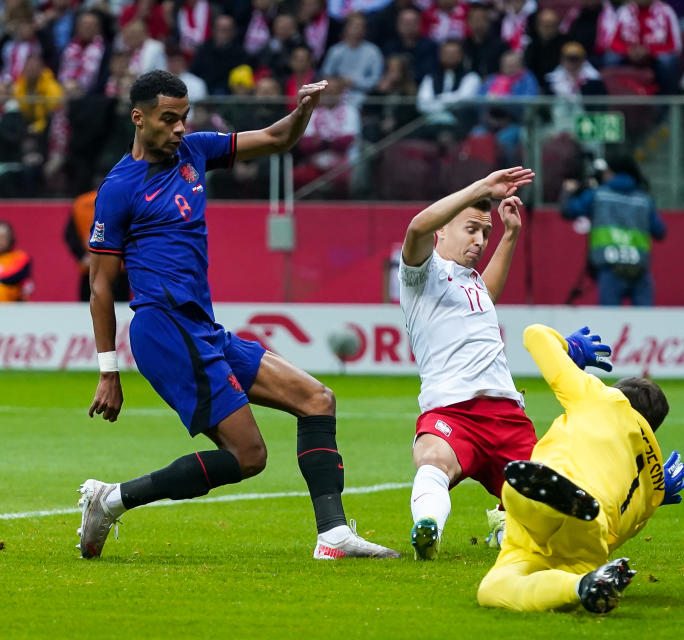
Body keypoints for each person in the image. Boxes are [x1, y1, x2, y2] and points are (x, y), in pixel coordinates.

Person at [78, 70, 399, 562]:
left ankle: (334, 536)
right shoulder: (119, 188)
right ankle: (112, 500)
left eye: (185, 118)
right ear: (139, 119)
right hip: (165, 330)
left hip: (204, 327)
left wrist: (305, 110)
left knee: (317, 399)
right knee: (249, 457)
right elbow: (100, 286)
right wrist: (108, 371)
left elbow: (275, 137)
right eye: (169, 119)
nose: (180, 129)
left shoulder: (195, 152)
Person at [477, 322, 684, 613]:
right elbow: (613, 538)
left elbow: (534, 335)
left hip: (545, 513)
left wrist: (571, 347)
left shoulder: (602, 397)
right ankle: (583, 586)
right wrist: (658, 493)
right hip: (586, 541)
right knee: (492, 589)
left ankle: (553, 494)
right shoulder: (652, 488)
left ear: (618, 392)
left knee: (519, 495)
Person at [398, 166, 537, 560]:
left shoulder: (470, 280)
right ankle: (429, 528)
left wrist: (509, 235)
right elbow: (415, 230)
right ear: (443, 229)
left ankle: (506, 521)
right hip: (452, 410)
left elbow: (486, 295)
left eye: (485, 233)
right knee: (433, 460)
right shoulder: (420, 275)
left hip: (507, 415)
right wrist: (481, 188)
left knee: (549, 492)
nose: (479, 240)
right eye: (471, 229)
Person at [561, 153, 667, 306]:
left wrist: (569, 190)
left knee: (609, 323)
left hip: (610, 271)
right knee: (645, 324)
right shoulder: (644, 200)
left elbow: (569, 211)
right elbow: (660, 231)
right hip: (640, 272)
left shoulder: (599, 195)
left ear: (611, 172)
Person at [63, 190, 130, 302]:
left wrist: (81, 257)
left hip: (90, 267)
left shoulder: (81, 203)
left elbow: (70, 235)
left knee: (89, 310)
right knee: (118, 311)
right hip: (118, 268)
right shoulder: (124, 200)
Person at [0, 220, 33, 302]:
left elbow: (13, 277)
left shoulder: (20, 257)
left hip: (14, 306)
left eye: (3, 237)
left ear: (11, 238)